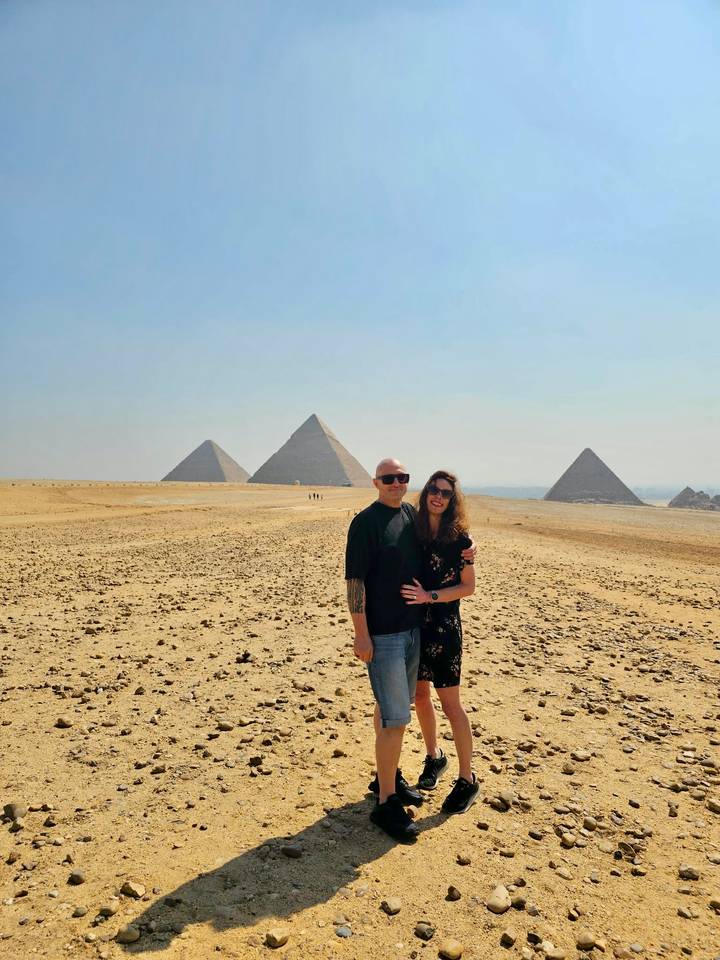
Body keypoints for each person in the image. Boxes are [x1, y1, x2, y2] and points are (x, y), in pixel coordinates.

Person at [345, 459, 474, 843]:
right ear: (376, 482)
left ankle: (391, 779)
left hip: (418, 631)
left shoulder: (408, 516)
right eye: (389, 478)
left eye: (402, 478)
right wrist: (361, 634)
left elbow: (452, 555)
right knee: (396, 717)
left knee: (393, 708)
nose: (396, 483)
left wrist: (469, 548)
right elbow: (355, 582)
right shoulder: (366, 523)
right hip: (385, 635)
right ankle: (386, 801)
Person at [400, 470, 479, 814]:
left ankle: (467, 779)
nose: (438, 496)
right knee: (419, 695)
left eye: (445, 493)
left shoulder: (461, 541)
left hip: (445, 629)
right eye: (433, 489)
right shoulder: (413, 531)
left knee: (451, 705)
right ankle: (434, 757)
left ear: (452, 500)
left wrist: (429, 596)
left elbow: (468, 587)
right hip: (416, 626)